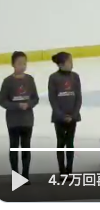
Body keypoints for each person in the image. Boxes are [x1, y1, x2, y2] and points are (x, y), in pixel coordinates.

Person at [0, 52, 39, 184]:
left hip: (27, 119)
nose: (22, 66)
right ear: (13, 64)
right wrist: (17, 106)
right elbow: (3, 101)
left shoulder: (30, 79)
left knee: (26, 147)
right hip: (13, 121)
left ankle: (25, 175)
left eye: (24, 63)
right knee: (14, 147)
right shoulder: (7, 81)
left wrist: (29, 104)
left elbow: (35, 98)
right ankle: (16, 176)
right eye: (19, 63)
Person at [48, 52, 82, 180]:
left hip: (73, 116)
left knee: (70, 143)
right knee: (61, 143)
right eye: (69, 62)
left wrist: (73, 114)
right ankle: (62, 170)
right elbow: (53, 99)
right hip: (59, 117)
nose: (72, 64)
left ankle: (69, 170)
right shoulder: (53, 78)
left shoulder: (75, 77)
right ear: (61, 64)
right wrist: (61, 115)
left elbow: (78, 97)